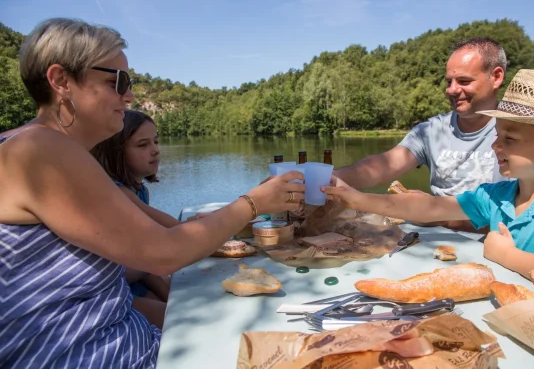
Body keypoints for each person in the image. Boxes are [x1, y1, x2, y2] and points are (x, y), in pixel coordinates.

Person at [0, 18, 305, 368]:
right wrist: (253, 204)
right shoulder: (41, 150)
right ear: (61, 81)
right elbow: (161, 254)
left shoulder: (22, 145)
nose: (128, 96)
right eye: (117, 81)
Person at [324, 69, 534, 290]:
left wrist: (507, 255)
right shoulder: (498, 195)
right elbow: (428, 208)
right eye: (497, 136)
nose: (495, 147)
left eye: (510, 139)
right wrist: (355, 197)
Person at [334, 37, 507, 232]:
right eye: (449, 81)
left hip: (495, 250)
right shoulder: (431, 130)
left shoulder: (517, 135)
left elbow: (520, 216)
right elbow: (381, 166)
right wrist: (329, 179)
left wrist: (434, 214)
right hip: (434, 246)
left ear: (496, 77)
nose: (452, 90)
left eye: (464, 81)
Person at [91, 110, 174, 329]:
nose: (155, 150)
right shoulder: (119, 193)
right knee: (179, 318)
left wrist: (170, 297)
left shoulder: (140, 190)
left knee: (183, 298)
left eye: (155, 141)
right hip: (115, 293)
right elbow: (172, 231)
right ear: (116, 151)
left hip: (138, 281)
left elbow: (146, 257)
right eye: (142, 145)